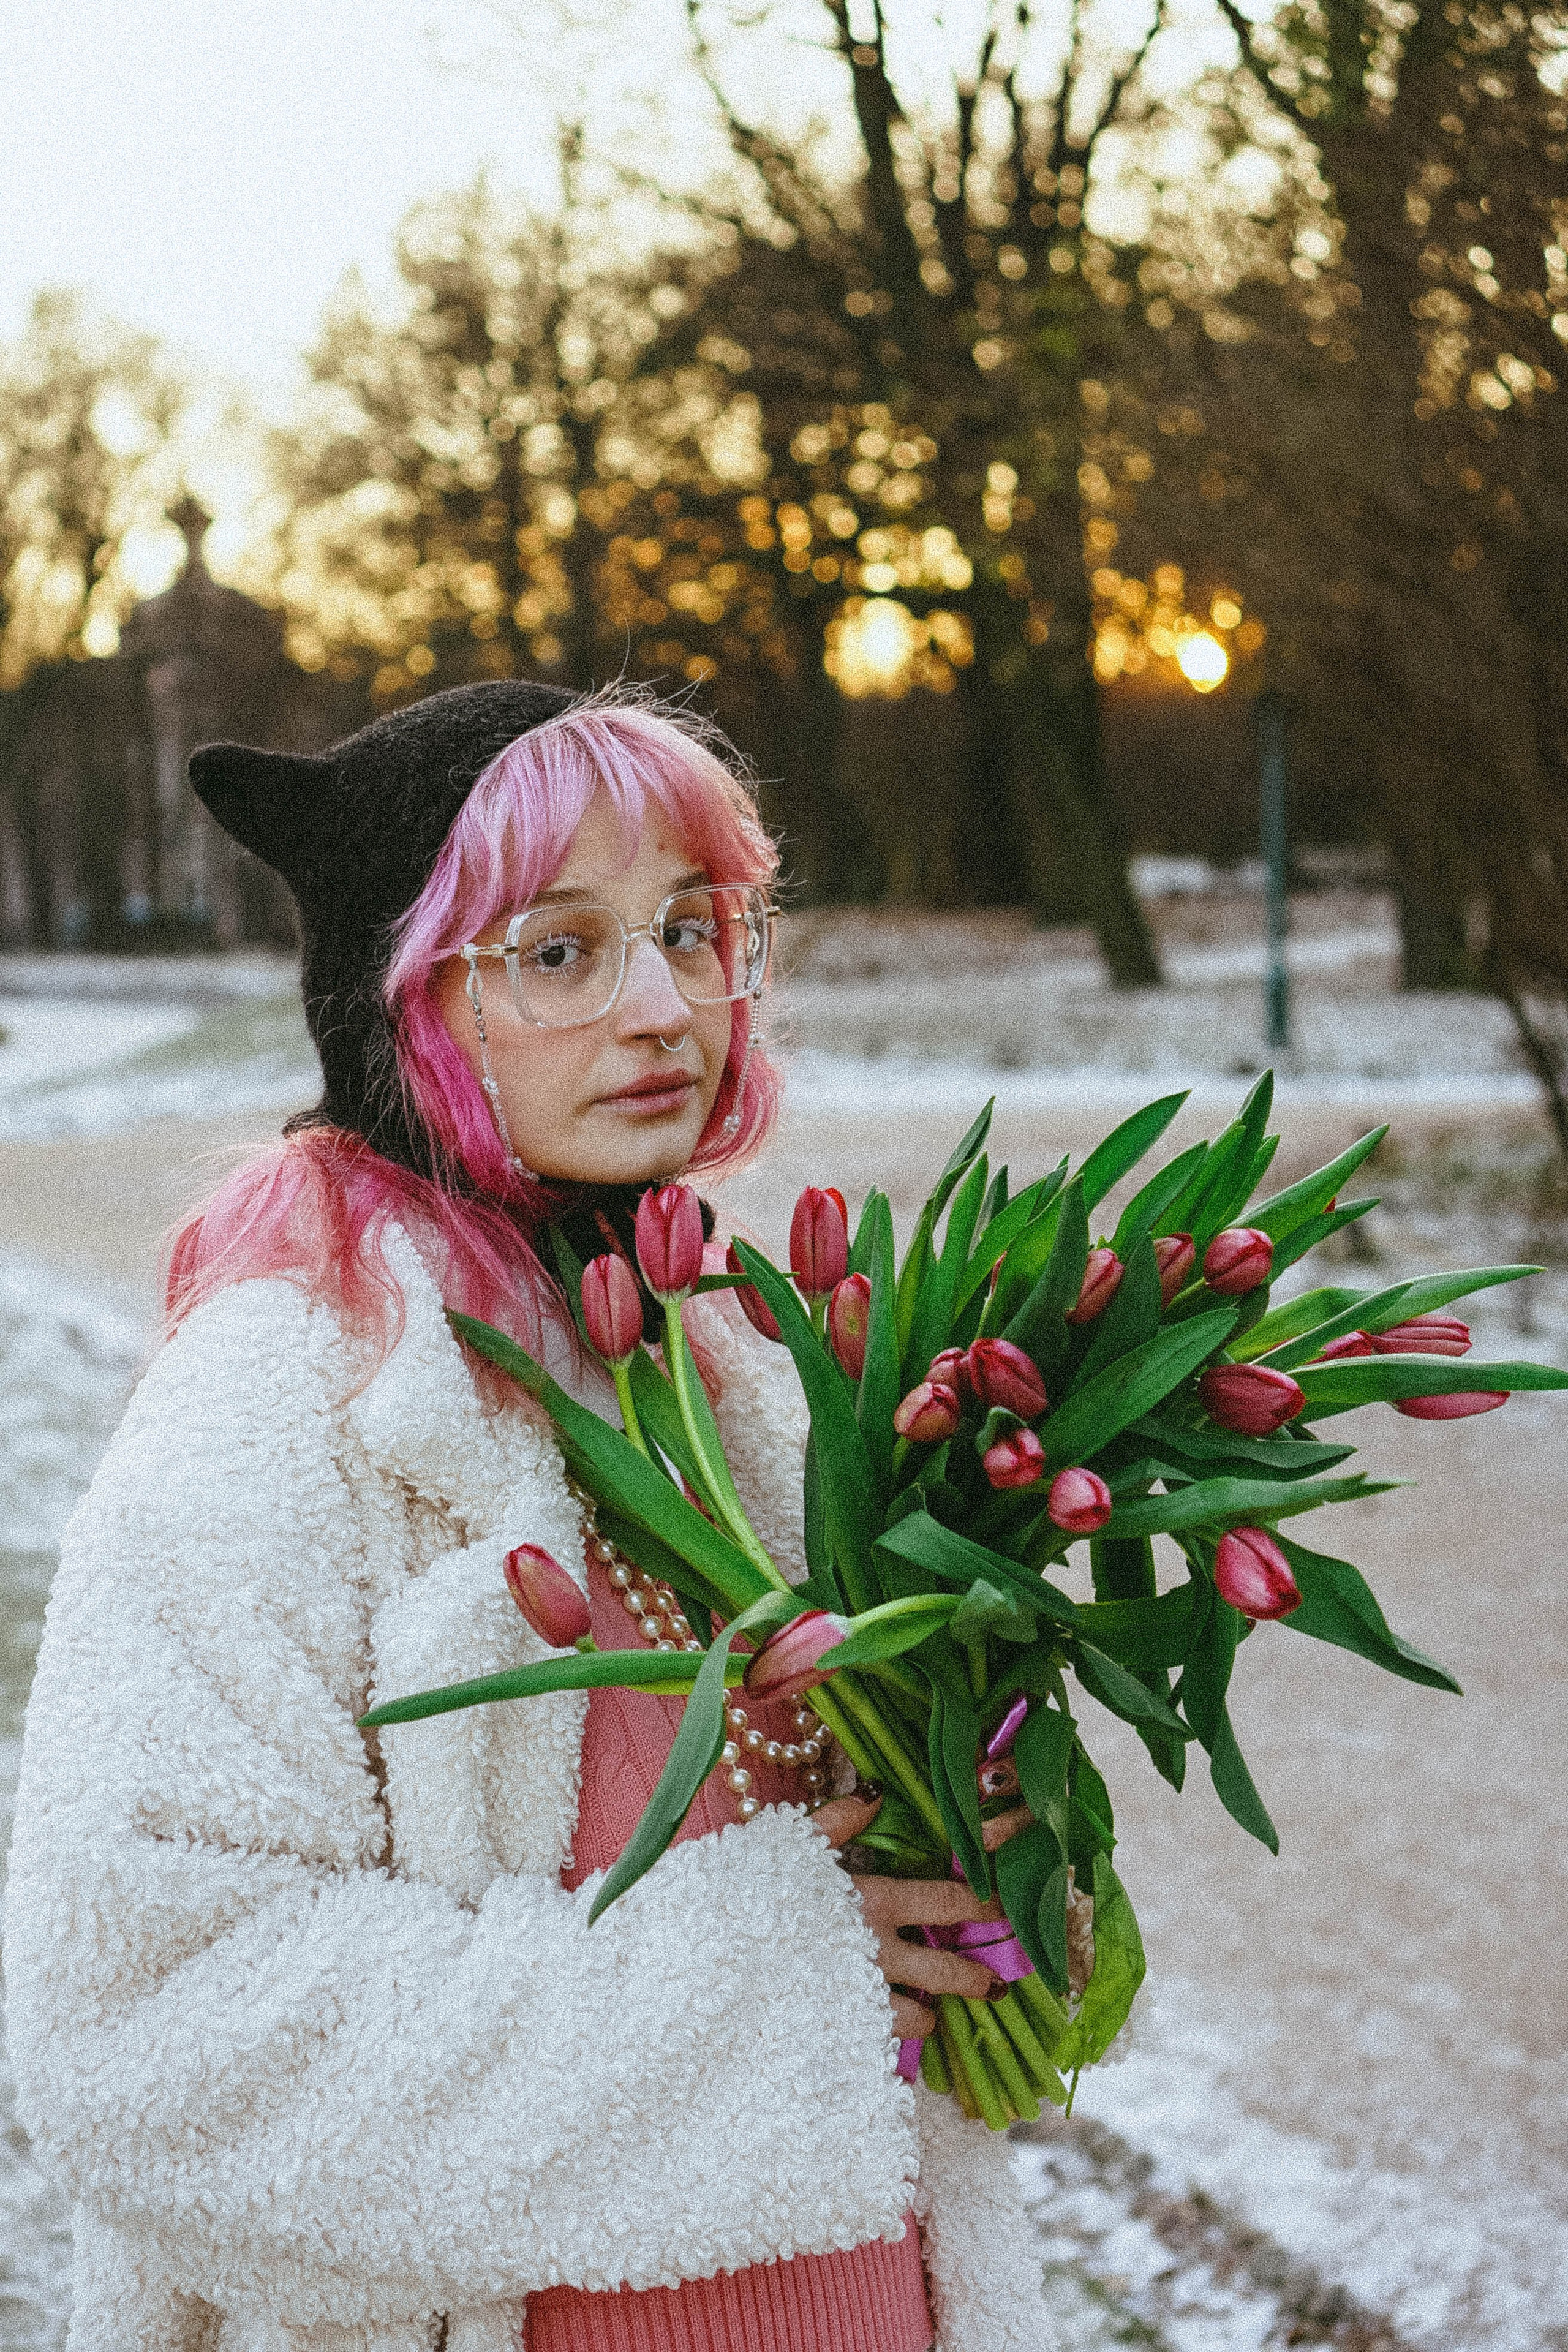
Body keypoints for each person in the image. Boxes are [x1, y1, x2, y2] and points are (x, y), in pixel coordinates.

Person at [4, 682, 1047, 2352]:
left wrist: (990, 1847)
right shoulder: (283, 1394)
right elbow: (143, 2039)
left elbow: (860, 1884)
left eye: (695, 930)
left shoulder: (736, 1359)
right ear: (407, 1004)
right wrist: (787, 1983)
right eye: (561, 953)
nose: (663, 1009)